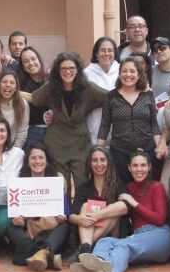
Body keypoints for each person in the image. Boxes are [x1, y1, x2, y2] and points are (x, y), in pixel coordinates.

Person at [71, 150, 170, 272]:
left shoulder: (156, 186)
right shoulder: (128, 187)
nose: (139, 169)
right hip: (137, 237)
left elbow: (160, 220)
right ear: (129, 168)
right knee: (105, 242)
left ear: (149, 167)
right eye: (135, 166)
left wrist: (134, 203)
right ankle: (94, 267)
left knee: (124, 246)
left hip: (159, 235)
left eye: (143, 165)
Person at [29, 52, 107, 186]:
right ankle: (63, 208)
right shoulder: (51, 88)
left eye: (71, 68)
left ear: (78, 70)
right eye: (63, 69)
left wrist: (139, 90)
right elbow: (33, 98)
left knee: (84, 181)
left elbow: (111, 97)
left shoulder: (87, 88)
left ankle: (80, 208)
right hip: (56, 142)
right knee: (59, 185)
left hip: (80, 143)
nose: (68, 72)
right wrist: (8, 91)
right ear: (57, 71)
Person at [97, 57, 160, 182]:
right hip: (120, 153)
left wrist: (159, 147)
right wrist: (98, 150)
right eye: (124, 71)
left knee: (147, 188)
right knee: (122, 189)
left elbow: (154, 124)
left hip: (146, 151)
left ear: (138, 74)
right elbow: (105, 125)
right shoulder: (112, 96)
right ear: (119, 74)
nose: (128, 74)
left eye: (132, 71)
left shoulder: (147, 95)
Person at [7, 144, 69, 272]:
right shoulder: (20, 182)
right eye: (33, 158)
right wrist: (19, 220)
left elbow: (66, 210)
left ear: (47, 161)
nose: (37, 161)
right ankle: (47, 255)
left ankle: (29, 255)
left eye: (41, 157)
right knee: (12, 227)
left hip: (50, 229)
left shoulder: (56, 179)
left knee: (64, 226)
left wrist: (62, 216)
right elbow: (16, 212)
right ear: (28, 162)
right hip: (29, 230)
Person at [68, 146, 127, 260]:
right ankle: (86, 248)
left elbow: (124, 207)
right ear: (90, 163)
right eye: (95, 160)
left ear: (108, 162)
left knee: (113, 209)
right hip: (87, 232)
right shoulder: (83, 188)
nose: (99, 164)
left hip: (111, 233)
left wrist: (97, 215)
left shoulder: (118, 185)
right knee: (86, 206)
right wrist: (79, 219)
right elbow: (72, 215)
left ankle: (84, 249)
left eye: (102, 160)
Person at [84, 36, 119, 143]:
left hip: (118, 134)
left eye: (110, 50)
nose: (106, 54)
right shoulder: (86, 74)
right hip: (94, 132)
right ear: (96, 54)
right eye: (103, 50)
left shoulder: (122, 71)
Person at [14, 46, 49, 147]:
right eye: (26, 61)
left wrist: (15, 92)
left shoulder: (51, 79)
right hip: (32, 131)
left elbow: (39, 98)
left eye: (33, 59)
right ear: (22, 66)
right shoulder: (19, 84)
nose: (31, 63)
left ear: (39, 60)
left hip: (53, 130)